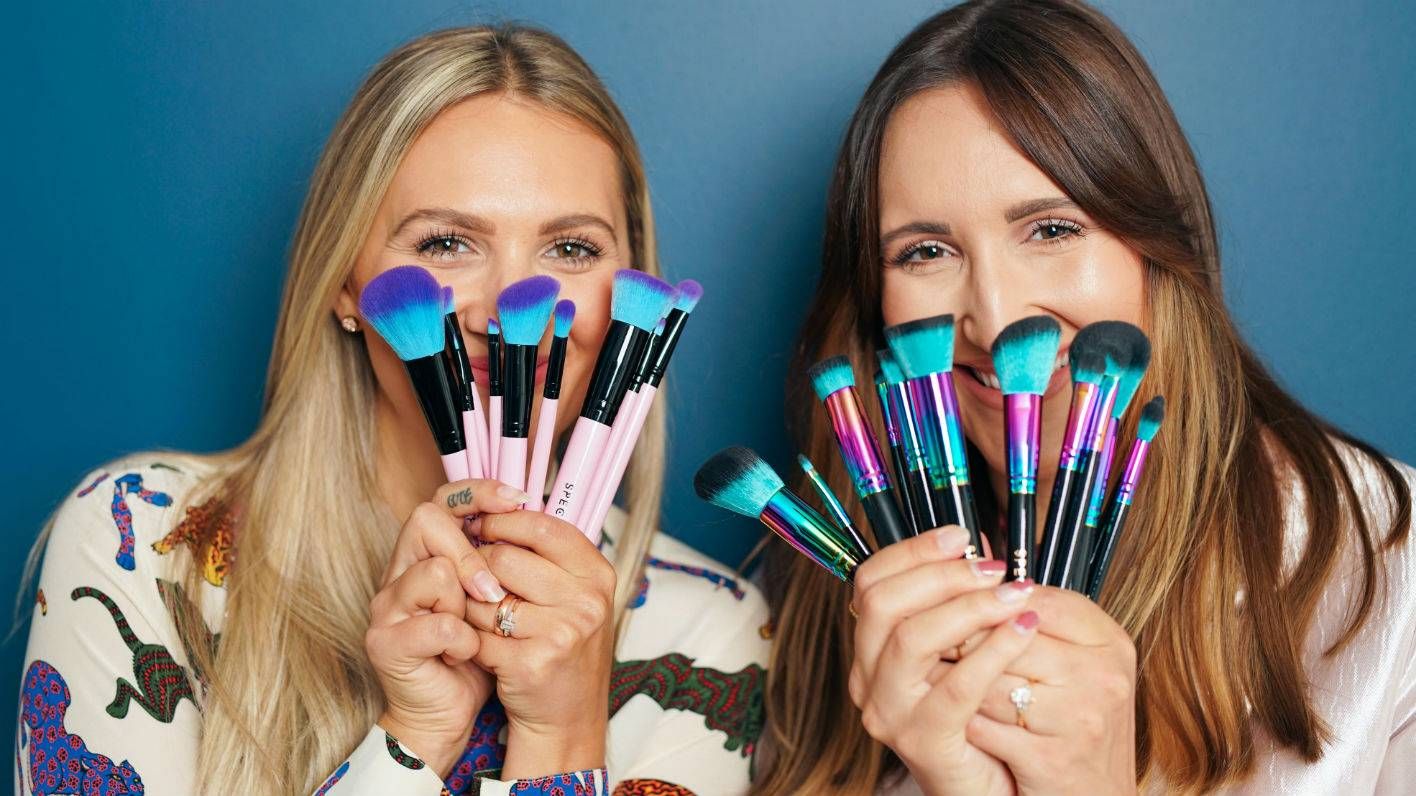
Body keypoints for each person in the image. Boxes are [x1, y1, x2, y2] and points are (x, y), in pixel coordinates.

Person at [16, 25, 767, 796]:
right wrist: (413, 740)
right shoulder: (143, 542)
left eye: (571, 249)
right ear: (345, 281)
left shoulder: (710, 634)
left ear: (631, 292)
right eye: (446, 242)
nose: (511, 309)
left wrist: (561, 737)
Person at [752, 1, 1414, 793]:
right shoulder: (810, 605)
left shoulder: (1390, 571)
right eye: (926, 251)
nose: (994, 318)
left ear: (1156, 248)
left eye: (1052, 230)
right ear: (875, 303)